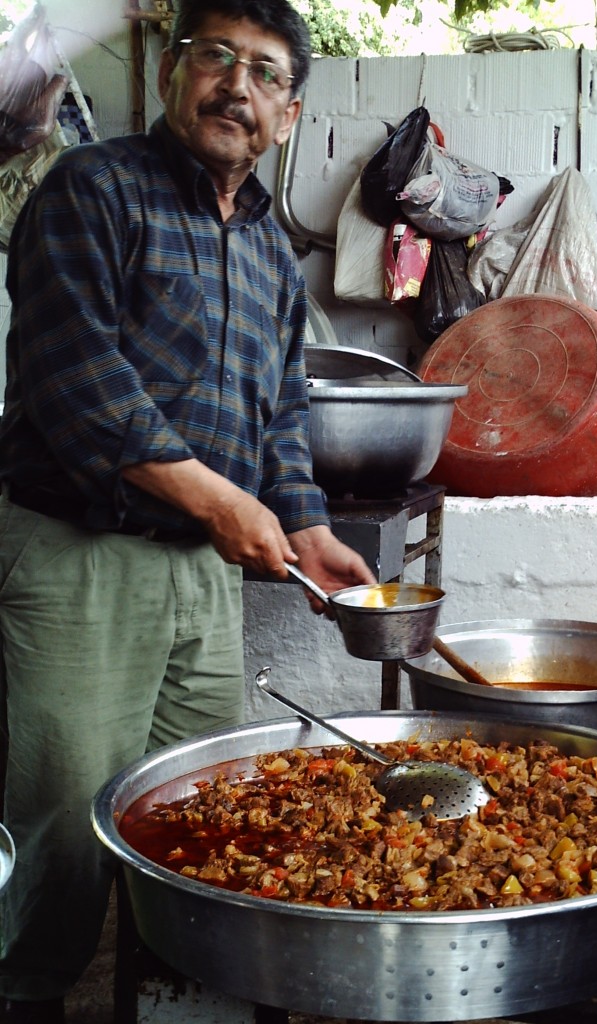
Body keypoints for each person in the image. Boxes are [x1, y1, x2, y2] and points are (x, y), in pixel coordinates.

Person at [0, 0, 375, 1019]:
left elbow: (278, 414)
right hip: (79, 555)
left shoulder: (265, 252)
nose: (235, 87)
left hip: (199, 576)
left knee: (203, 814)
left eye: (262, 73)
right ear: (172, 72)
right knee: (62, 824)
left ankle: (172, 1002)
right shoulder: (92, 190)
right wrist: (219, 500)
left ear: (286, 116)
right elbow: (79, 377)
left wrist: (302, 525)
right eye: (216, 57)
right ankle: (25, 991)